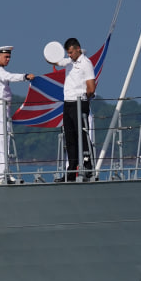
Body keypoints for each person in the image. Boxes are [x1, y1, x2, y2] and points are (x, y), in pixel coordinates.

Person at [0, 46, 36, 184]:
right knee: (3, 140)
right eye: (6, 57)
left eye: (9, 57)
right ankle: (3, 174)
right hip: (0, 107)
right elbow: (9, 76)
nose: (8, 59)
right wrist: (25, 76)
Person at [61, 38, 96, 181]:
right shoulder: (70, 62)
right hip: (68, 103)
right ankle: (71, 171)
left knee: (82, 136)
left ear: (78, 49)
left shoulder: (86, 63)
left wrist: (84, 98)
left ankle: (88, 167)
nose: (69, 55)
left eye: (71, 52)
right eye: (67, 53)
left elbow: (91, 87)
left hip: (79, 102)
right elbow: (55, 61)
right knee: (70, 139)